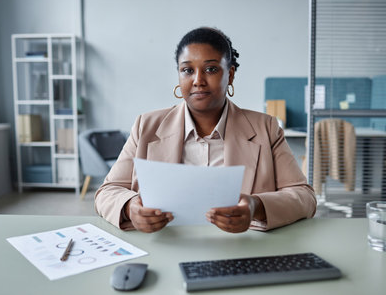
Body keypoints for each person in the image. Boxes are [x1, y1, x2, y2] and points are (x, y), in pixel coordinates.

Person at [95, 27, 316, 233]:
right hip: (166, 245)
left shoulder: (265, 128)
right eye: (187, 70)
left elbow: (304, 197)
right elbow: (107, 191)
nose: (198, 80)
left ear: (230, 75)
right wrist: (129, 207)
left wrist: (256, 206)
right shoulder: (147, 126)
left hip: (243, 250)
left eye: (210, 69)